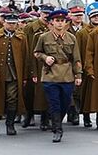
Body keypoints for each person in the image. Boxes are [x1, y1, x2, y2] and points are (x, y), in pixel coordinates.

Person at [34, 9, 83, 142]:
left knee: (66, 102)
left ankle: (57, 121)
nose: (60, 23)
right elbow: (37, 52)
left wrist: (78, 75)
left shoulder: (71, 38)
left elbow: (76, 58)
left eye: (62, 21)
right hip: (50, 75)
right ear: (52, 22)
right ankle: (57, 128)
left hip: (67, 75)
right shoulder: (44, 37)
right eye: (57, 21)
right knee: (54, 102)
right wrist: (45, 57)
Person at [0, 11, 30, 135]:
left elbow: (26, 58)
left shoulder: (21, 37)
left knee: (12, 98)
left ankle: (10, 124)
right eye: (9, 23)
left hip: (14, 73)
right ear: (4, 23)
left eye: (14, 24)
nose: (12, 26)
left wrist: (24, 77)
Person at [77, 5, 98, 127]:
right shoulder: (82, 33)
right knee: (86, 94)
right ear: (90, 18)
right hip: (86, 66)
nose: (96, 18)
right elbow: (77, 51)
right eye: (94, 16)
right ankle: (86, 117)